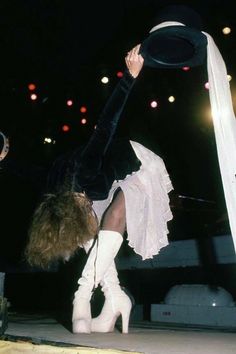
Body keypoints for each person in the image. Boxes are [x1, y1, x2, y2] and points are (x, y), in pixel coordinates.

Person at [3, 44, 173, 334]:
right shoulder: (52, 185)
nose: (90, 206)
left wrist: (129, 78)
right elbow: (28, 172)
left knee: (116, 212)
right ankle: (115, 297)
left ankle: (81, 297)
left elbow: (106, 125)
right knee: (89, 234)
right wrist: (5, 159)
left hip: (138, 161)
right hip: (104, 179)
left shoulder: (86, 167)